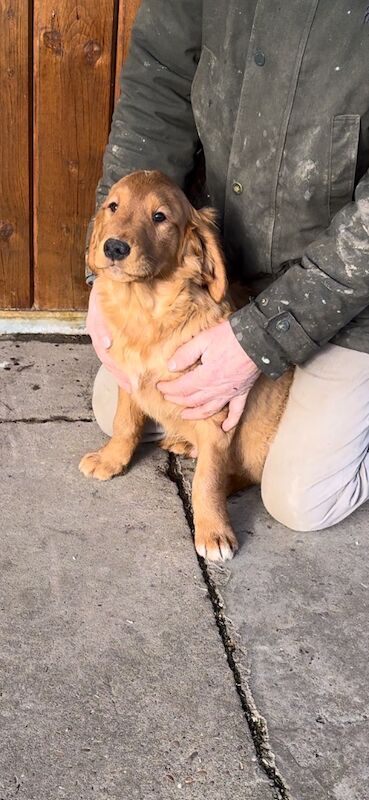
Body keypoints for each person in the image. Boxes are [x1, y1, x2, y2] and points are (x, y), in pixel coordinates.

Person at [86, 0, 369, 532]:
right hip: (233, 266)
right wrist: (108, 264)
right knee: (119, 402)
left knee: (302, 496)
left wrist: (259, 340)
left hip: (353, 292)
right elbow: (157, 89)